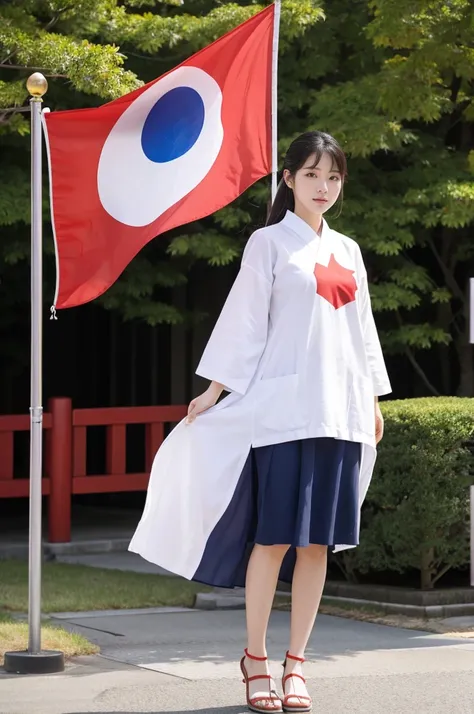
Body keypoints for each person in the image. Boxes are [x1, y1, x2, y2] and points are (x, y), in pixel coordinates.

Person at [130, 131, 391, 713]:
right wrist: (215, 388)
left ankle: (297, 664)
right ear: (289, 180)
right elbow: (244, 320)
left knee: (318, 544)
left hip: (340, 414)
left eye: (333, 178)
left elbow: (362, 333)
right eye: (312, 176)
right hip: (282, 414)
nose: (324, 188)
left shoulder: (348, 251)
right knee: (273, 540)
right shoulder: (268, 244)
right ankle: (256, 659)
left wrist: (371, 400)